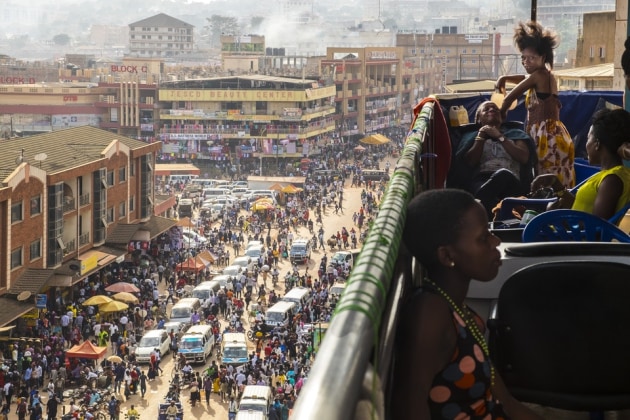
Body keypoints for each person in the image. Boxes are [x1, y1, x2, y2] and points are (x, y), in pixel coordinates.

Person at [392, 189, 543, 419]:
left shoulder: (456, 308)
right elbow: (409, 406)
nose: (496, 241)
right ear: (447, 256)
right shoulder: (430, 314)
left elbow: (507, 403)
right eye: (483, 238)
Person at [496, 20, 575, 188]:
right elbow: (524, 79)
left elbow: (511, 97)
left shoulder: (540, 76)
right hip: (549, 135)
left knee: (548, 180)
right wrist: (504, 78)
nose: (526, 62)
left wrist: (501, 114)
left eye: (532, 58)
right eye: (523, 58)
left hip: (548, 138)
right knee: (552, 179)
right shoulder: (541, 76)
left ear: (543, 57)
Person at [531, 108, 630, 221]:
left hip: (569, 238)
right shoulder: (610, 175)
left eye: (588, 139)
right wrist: (557, 185)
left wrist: (554, 216)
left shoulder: (612, 180)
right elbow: (581, 209)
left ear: (597, 144)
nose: (586, 145)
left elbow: (596, 227)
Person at [456, 100, 536, 217]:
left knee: (503, 174)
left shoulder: (516, 134)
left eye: (495, 109)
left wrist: (499, 136)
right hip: (482, 180)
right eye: (486, 109)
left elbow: (523, 157)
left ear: (502, 118)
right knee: (491, 200)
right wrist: (481, 136)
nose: (492, 110)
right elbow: (470, 162)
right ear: (478, 119)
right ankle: (498, 215)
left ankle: (472, 211)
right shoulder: (471, 137)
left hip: (511, 180)